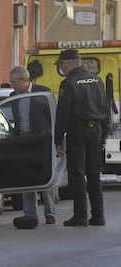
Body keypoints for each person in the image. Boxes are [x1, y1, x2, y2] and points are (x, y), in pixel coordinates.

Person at [55, 49, 109, 227]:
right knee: (94, 173)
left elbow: (63, 114)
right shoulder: (97, 79)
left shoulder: (68, 83)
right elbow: (105, 107)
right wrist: (104, 135)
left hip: (77, 130)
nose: (62, 68)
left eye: (62, 64)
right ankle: (98, 216)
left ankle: (80, 216)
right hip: (97, 130)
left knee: (77, 174)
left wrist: (57, 139)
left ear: (69, 63)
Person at [8, 65, 56, 229]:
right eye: (11, 82)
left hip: (41, 140)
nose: (12, 85)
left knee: (44, 176)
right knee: (26, 178)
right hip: (22, 139)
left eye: (14, 82)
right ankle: (30, 213)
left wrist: (53, 138)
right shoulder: (13, 96)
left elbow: (52, 115)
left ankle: (50, 213)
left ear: (25, 80)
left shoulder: (42, 92)